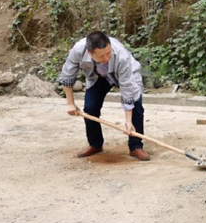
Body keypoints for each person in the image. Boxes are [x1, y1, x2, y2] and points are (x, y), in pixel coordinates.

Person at [58, 31, 150, 161]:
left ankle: (136, 146)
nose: (106, 58)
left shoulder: (121, 55)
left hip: (126, 75)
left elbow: (127, 87)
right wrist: (70, 103)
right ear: (90, 53)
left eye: (108, 53)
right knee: (90, 108)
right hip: (98, 77)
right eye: (101, 56)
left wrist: (128, 121)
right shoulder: (78, 50)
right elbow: (68, 75)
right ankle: (95, 144)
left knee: (136, 106)